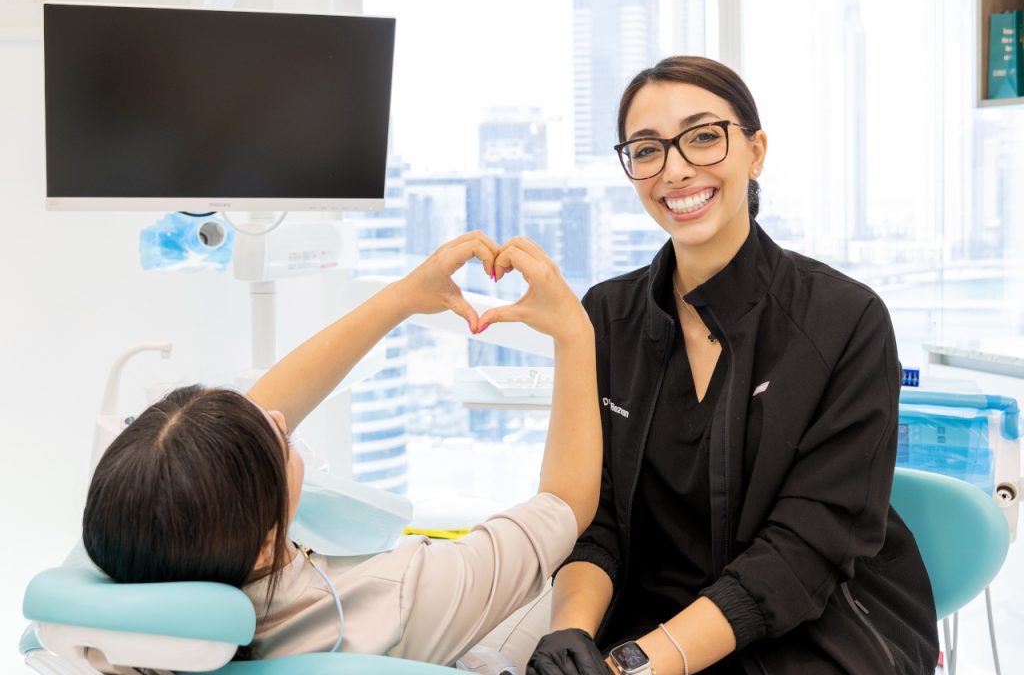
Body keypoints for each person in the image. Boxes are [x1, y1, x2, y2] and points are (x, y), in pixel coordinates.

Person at [525, 57, 940, 675]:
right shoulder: (606, 316)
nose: (675, 169)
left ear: (755, 150)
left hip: (815, 630)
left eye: (702, 136)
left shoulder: (846, 319)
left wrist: (634, 666)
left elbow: (803, 551)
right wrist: (571, 635)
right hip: (649, 624)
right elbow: (597, 517)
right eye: (647, 150)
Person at [82, 232, 602, 668]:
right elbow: (563, 506)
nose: (278, 416)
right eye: (275, 440)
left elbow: (231, 453)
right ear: (264, 543)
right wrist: (574, 332)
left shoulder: (149, 588)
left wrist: (403, 296)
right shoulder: (394, 594)